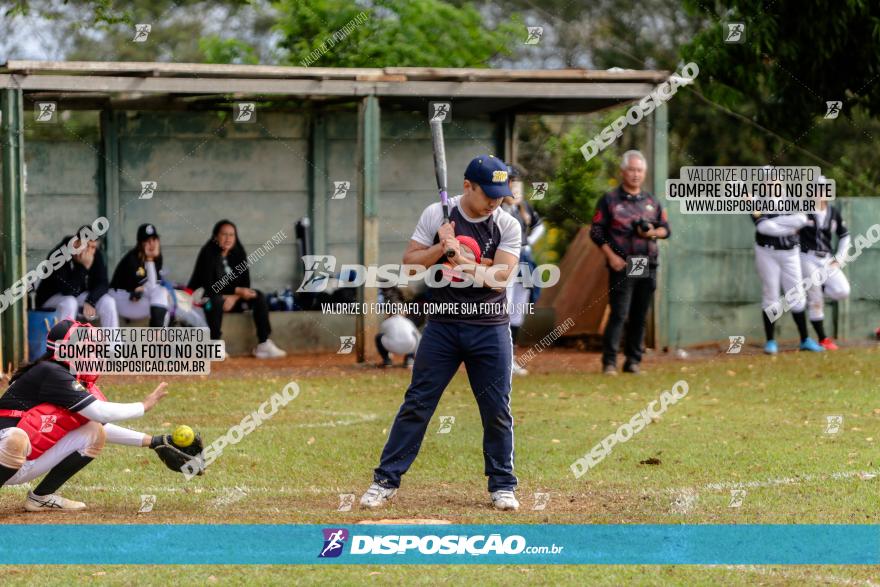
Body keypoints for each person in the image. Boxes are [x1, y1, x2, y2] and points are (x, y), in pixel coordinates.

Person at [359, 154, 522, 511]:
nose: (496, 200)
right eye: (488, 193)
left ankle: (503, 484)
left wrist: (462, 259)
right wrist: (441, 245)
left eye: (500, 193)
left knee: (496, 408)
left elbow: (501, 278)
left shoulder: (507, 224)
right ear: (467, 186)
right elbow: (410, 265)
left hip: (490, 328)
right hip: (443, 327)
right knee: (417, 403)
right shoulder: (437, 215)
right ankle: (385, 480)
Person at [0, 320, 169, 511]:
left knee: (94, 432)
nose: (94, 355)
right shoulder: (50, 372)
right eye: (88, 349)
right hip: (6, 452)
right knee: (16, 438)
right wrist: (143, 406)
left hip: (20, 462)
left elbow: (99, 421)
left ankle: (40, 498)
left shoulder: (62, 374)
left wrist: (153, 441)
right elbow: (99, 411)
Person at [590, 150, 670, 375]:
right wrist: (611, 256)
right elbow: (596, 232)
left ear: (644, 173)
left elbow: (667, 230)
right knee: (619, 313)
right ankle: (610, 362)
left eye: (640, 170)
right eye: (632, 170)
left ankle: (633, 361)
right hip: (623, 262)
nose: (635, 174)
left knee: (639, 314)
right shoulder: (610, 200)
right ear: (623, 172)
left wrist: (653, 232)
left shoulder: (652, 201)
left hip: (646, 261)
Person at [188, 220, 286, 359]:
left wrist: (234, 296)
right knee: (215, 300)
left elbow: (245, 283)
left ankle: (263, 344)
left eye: (231, 235)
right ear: (216, 236)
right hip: (205, 298)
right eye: (224, 234)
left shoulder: (238, 253)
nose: (228, 238)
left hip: (232, 300)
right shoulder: (208, 253)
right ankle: (215, 344)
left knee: (258, 296)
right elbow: (209, 285)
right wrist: (233, 293)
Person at [753, 206, 824, 354]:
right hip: (766, 252)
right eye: (768, 181)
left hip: (790, 252)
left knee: (797, 295)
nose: (771, 182)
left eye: (774, 180)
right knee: (770, 295)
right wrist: (789, 226)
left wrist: (775, 222)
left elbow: (801, 219)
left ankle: (805, 340)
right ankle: (771, 341)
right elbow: (763, 227)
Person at [798, 177, 851, 350]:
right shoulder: (803, 211)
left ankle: (817, 289)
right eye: (816, 189)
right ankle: (822, 338)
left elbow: (844, 236)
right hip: (807, 257)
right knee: (816, 300)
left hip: (827, 259)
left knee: (843, 290)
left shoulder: (833, 212)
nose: (820, 192)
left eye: (823, 189)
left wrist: (839, 258)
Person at [503, 165, 546, 376]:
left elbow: (540, 226)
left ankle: (510, 358)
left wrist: (528, 242)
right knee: (503, 307)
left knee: (518, 310)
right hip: (504, 263)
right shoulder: (496, 208)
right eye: (511, 183)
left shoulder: (523, 208)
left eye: (517, 184)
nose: (515, 189)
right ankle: (500, 358)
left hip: (523, 261)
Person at [35, 226, 118, 327]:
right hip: (51, 299)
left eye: (93, 247)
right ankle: (61, 341)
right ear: (76, 242)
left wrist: (91, 300)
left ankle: (113, 342)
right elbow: (67, 290)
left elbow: (103, 283)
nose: (89, 251)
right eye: (86, 245)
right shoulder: (58, 256)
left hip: (76, 296)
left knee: (108, 301)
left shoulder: (95, 254)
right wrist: (83, 267)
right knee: (70, 302)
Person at [109, 223, 170, 327]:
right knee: (162, 300)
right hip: (120, 298)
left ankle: (158, 337)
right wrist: (150, 259)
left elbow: (154, 287)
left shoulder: (157, 256)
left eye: (154, 239)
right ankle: (158, 338)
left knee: (163, 297)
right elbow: (152, 286)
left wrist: (151, 259)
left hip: (138, 297)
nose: (152, 244)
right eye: (147, 241)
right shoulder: (132, 258)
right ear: (140, 243)